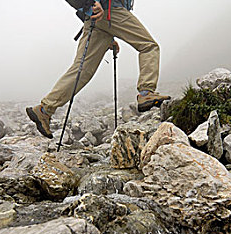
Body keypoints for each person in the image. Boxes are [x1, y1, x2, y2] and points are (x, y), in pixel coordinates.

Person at [26, 0, 170, 139]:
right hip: (110, 11)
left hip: (96, 18)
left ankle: (44, 110)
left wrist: (108, 34)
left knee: (81, 70)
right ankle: (146, 92)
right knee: (149, 46)